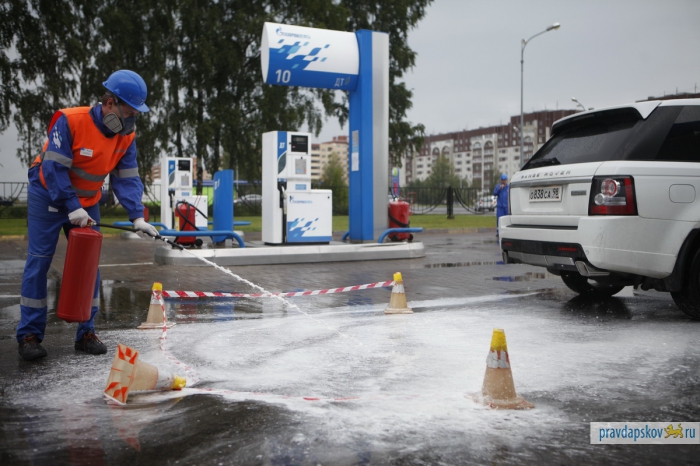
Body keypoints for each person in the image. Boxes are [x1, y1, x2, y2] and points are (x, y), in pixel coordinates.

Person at [17, 70, 160, 361]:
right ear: (109, 103)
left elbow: (127, 178)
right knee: (39, 262)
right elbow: (54, 169)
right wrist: (71, 205)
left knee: (89, 266)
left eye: (135, 115)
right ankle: (29, 335)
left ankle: (86, 332)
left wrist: (137, 217)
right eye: (128, 113)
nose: (131, 121)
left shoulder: (126, 136)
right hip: (48, 195)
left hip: (87, 201)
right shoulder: (69, 120)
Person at [493, 173, 509, 237]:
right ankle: (498, 231)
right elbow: (494, 193)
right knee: (499, 219)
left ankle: (507, 231)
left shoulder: (508, 187)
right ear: (501, 180)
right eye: (502, 180)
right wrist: (499, 189)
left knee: (507, 219)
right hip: (500, 206)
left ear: (506, 180)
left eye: (504, 180)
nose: (503, 181)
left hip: (506, 206)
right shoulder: (498, 187)